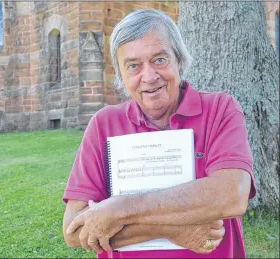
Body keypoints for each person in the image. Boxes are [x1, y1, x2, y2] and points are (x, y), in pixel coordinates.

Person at [62, 9, 256, 258]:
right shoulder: (104, 124)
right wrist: (171, 229)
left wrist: (121, 208)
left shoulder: (220, 108)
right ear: (121, 74)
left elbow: (232, 195)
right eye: (133, 66)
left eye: (159, 60)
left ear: (179, 60)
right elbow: (73, 231)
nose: (149, 77)